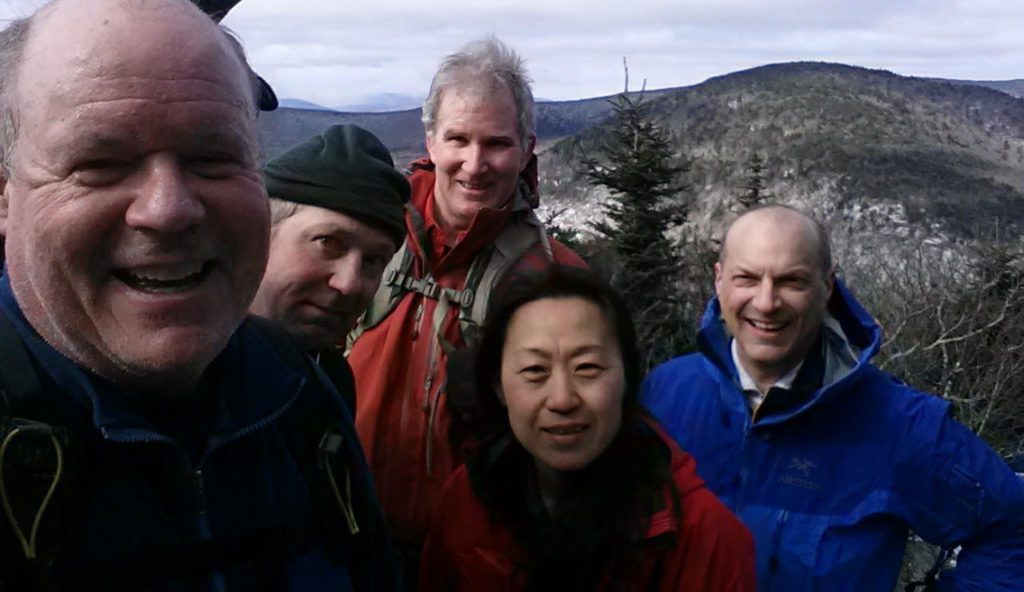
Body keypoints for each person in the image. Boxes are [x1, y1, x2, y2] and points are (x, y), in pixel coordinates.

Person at [0, 0, 395, 589]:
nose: (169, 209)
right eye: (100, 163)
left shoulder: (300, 397)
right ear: (6, 198)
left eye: (213, 158)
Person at [641, 204, 1024, 591]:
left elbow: (1012, 526)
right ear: (719, 280)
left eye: (791, 281)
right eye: (747, 278)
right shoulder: (666, 392)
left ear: (827, 288)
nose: (766, 302)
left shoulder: (898, 423)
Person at [346, 37, 586, 571]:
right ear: (430, 141)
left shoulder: (558, 280)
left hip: (471, 561)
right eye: (458, 139)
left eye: (496, 143)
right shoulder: (367, 237)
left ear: (526, 149)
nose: (474, 165)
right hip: (344, 537)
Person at [418, 265, 756, 591]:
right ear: (498, 386)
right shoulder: (468, 500)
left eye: (587, 367)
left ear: (626, 379)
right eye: (535, 370)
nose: (562, 399)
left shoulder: (707, 540)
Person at [252, 124, 411, 412]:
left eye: (373, 260)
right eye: (328, 242)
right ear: (260, 234)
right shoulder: (182, 380)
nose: (349, 284)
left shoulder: (332, 382)